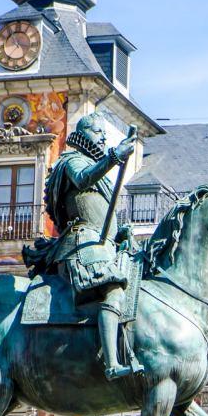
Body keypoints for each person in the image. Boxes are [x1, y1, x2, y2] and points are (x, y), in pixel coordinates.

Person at [23, 112, 139, 379]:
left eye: (103, 133)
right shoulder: (70, 160)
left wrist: (121, 232)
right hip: (81, 242)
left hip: (103, 243)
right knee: (112, 290)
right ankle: (112, 364)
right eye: (98, 132)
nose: (102, 137)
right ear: (84, 132)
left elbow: (101, 212)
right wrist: (113, 156)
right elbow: (83, 178)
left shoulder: (96, 168)